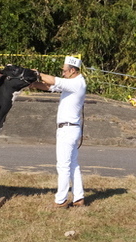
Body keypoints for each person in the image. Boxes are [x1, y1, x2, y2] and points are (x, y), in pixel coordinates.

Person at [30, 56, 86, 208]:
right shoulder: (74, 83)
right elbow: (50, 87)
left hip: (67, 129)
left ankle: (61, 200)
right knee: (73, 164)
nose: (63, 73)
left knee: (63, 165)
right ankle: (78, 197)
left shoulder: (75, 83)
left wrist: (38, 74)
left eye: (65, 70)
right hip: (71, 128)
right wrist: (34, 83)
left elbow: (54, 81)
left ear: (72, 70)